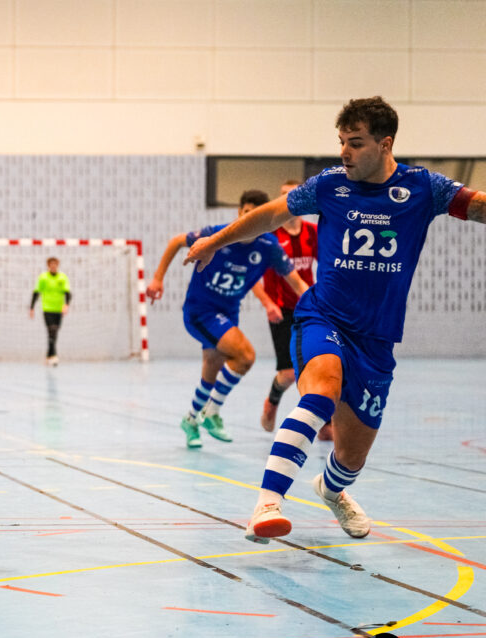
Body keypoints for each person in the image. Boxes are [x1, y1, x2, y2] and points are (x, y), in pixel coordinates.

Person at [184, 96, 485, 543]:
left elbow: (478, 205)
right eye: (341, 141)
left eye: (356, 143)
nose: (344, 152)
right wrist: (215, 242)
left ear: (386, 145)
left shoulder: (424, 188)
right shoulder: (329, 185)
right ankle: (266, 504)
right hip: (323, 316)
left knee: (351, 457)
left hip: (377, 339)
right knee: (321, 391)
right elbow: (269, 215)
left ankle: (332, 490)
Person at [147, 190, 309, 449]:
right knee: (245, 356)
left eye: (256, 215)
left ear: (264, 217)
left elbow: (297, 282)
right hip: (201, 312)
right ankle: (211, 412)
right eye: (246, 214)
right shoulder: (219, 234)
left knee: (211, 369)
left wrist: (318, 305)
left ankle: (191, 420)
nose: (249, 219)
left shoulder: (268, 247)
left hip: (228, 313)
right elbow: (177, 241)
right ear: (239, 214)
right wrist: (157, 278)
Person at [250, 180, 332, 442]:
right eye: (283, 196)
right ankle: (272, 401)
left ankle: (324, 422)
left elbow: (329, 266)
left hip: (309, 309)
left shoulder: (312, 232)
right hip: (281, 309)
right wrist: (268, 303)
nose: (288, 200)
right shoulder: (270, 237)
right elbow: (252, 276)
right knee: (288, 374)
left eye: (292, 195)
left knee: (318, 365)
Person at [29, 257, 71, 366]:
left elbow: (67, 293)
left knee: (54, 332)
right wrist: (32, 307)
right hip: (47, 308)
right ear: (48, 265)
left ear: (57, 265)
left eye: (55, 264)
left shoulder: (62, 277)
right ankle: (54, 356)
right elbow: (36, 292)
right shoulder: (43, 277)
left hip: (58, 309)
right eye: (51, 264)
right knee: (52, 330)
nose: (53, 266)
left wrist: (66, 305)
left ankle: (49, 355)